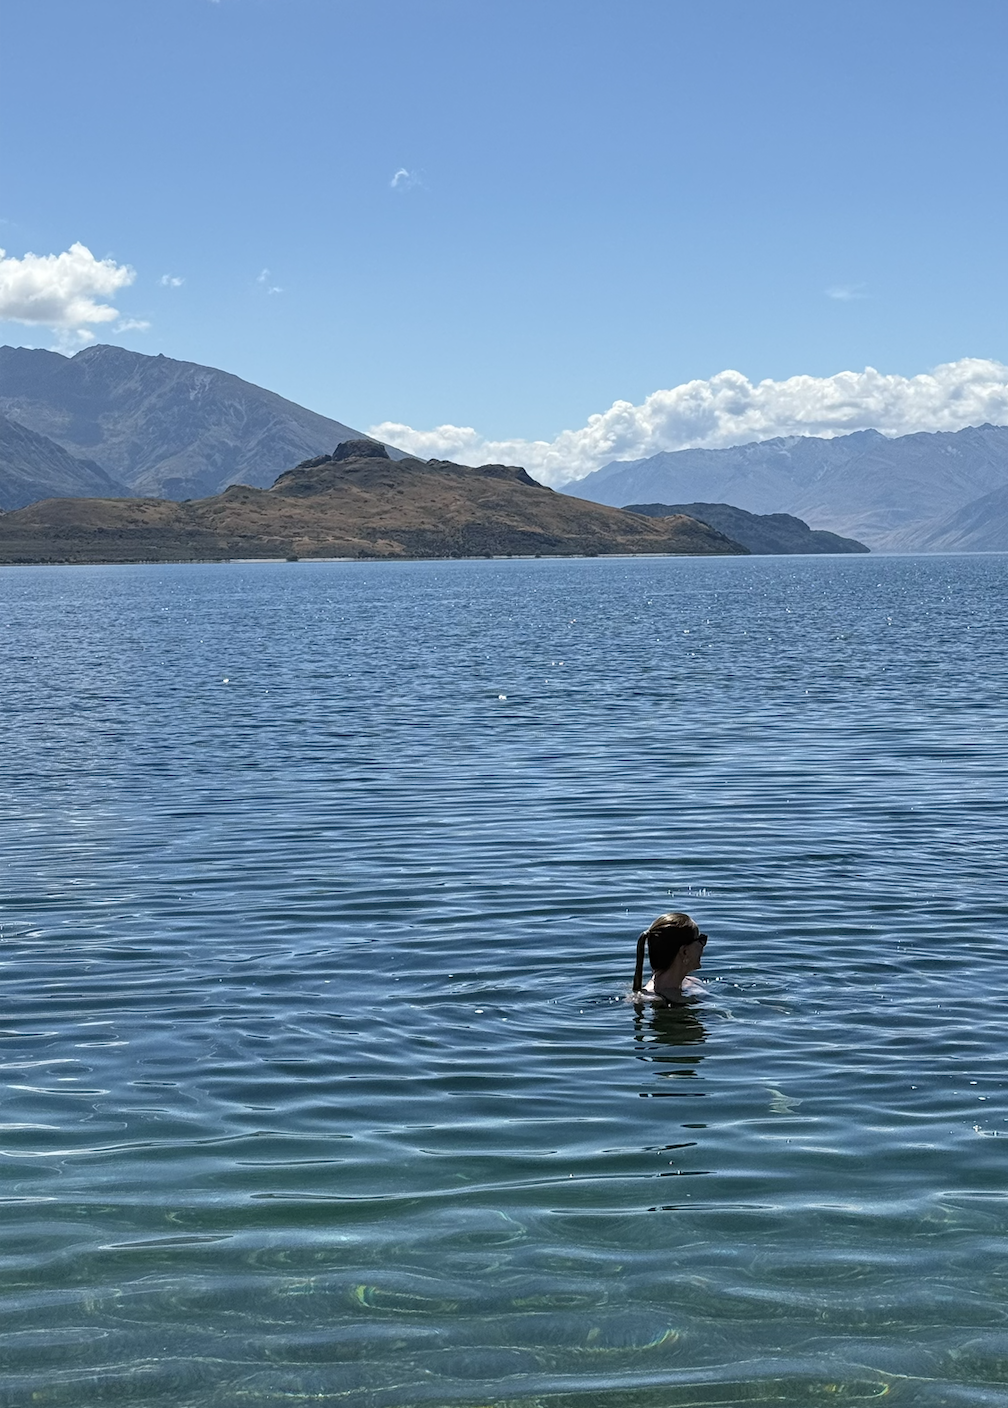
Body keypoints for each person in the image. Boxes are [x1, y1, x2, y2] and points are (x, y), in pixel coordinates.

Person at [631, 911, 708, 1004]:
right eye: (700, 940)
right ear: (685, 952)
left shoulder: (693, 982)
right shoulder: (654, 1000)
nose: (702, 945)